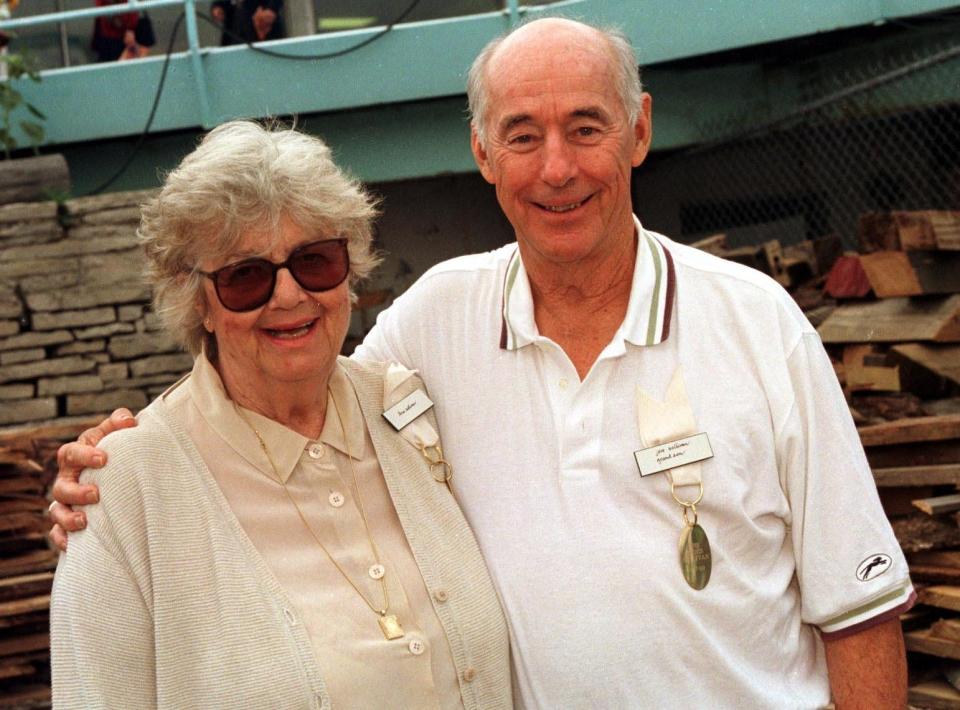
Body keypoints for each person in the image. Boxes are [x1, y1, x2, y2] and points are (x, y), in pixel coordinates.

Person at [51, 18, 912, 709]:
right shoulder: (435, 323)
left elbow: (859, 614)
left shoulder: (757, 322)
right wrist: (119, 462)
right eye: (523, 135)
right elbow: (272, 384)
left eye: (586, 127)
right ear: (482, 153)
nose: (558, 168)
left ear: (640, 130)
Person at [49, 121, 511, 709]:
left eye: (314, 261)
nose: (289, 295)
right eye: (247, 277)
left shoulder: (410, 409)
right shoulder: (126, 489)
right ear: (199, 303)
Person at [211, 0, 284, 46]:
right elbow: (220, 4)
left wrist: (271, 9)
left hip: (262, 27)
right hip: (234, 31)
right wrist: (217, 7)